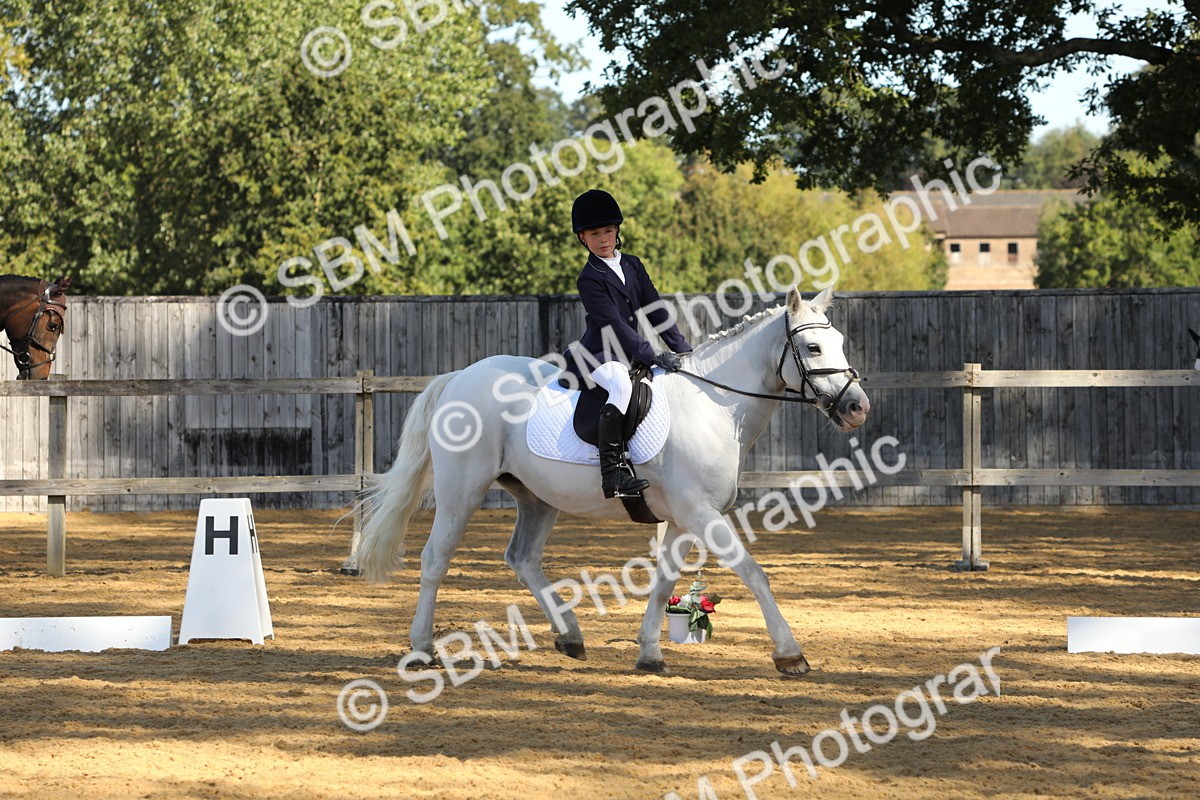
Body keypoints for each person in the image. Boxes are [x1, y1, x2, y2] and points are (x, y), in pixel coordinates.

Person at [566, 189, 693, 498]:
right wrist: (654, 355)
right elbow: (615, 325)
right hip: (598, 354)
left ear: (617, 230)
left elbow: (655, 308)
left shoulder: (633, 265)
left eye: (608, 231)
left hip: (630, 353)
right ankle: (613, 475)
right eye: (595, 234)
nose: (603, 239)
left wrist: (682, 348)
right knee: (621, 386)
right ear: (583, 238)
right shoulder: (589, 278)